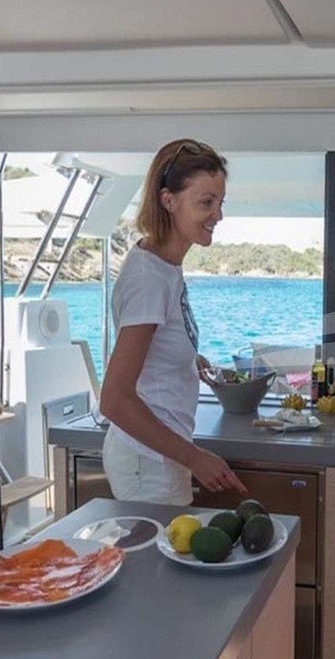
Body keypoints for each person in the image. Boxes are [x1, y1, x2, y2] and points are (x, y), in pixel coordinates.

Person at [99, 139, 247, 504]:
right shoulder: (149, 279)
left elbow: (153, 345)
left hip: (157, 455)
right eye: (206, 202)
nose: (218, 215)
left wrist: (187, 360)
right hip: (147, 462)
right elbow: (114, 399)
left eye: (220, 202)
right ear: (168, 201)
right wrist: (195, 458)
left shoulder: (163, 266)